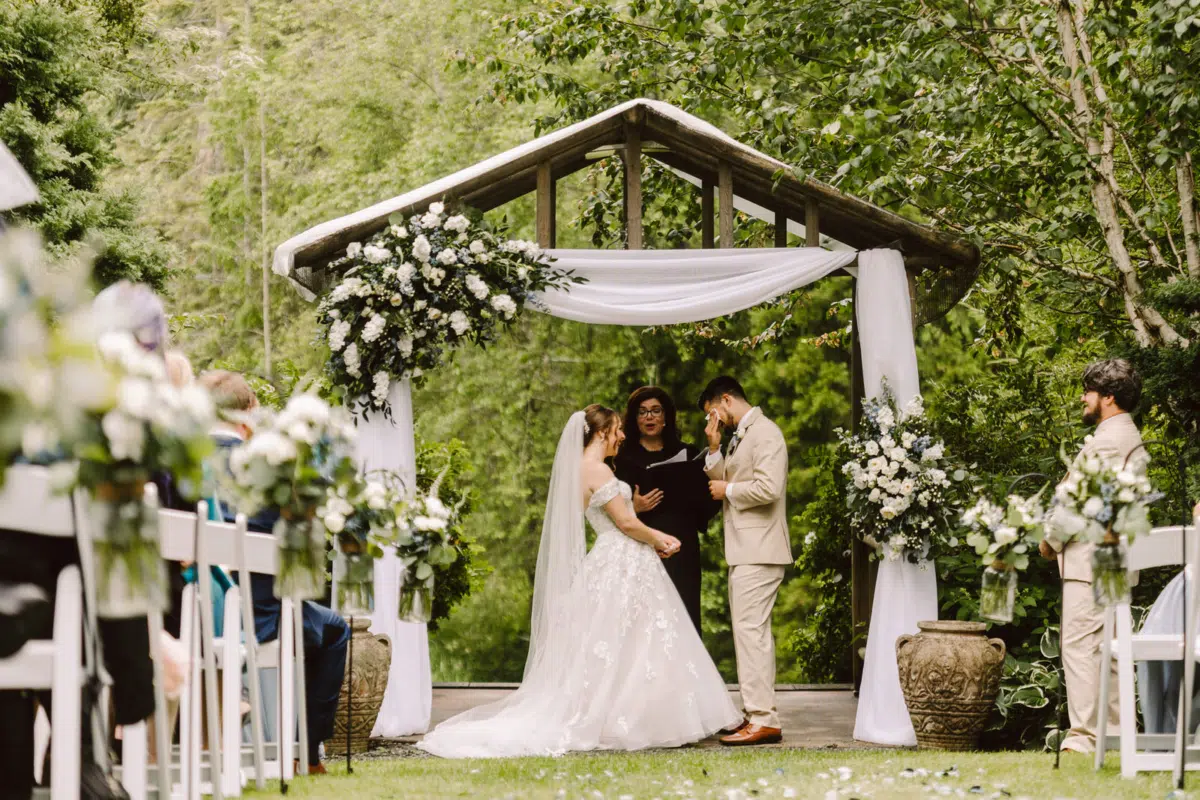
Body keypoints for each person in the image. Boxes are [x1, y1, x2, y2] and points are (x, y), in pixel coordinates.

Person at [417, 405, 740, 758]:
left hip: (615, 556)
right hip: (622, 557)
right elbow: (626, 524)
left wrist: (643, 530)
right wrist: (660, 539)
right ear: (601, 432)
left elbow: (618, 519)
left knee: (624, 639)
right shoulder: (598, 469)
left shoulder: (580, 470)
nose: (622, 436)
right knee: (636, 638)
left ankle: (625, 715)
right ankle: (634, 719)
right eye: (617, 429)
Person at [198, 370, 349, 775]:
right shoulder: (268, 470)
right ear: (249, 411)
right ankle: (307, 752)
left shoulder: (185, 466)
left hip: (192, 617)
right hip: (262, 617)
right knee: (335, 630)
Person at [1039, 358, 1145, 754]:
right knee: (1111, 651)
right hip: (1116, 562)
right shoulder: (1130, 436)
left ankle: (1084, 738)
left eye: (1089, 391)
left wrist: (1050, 540)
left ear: (1108, 397)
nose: (1083, 398)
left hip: (1090, 562)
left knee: (1082, 648)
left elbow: (1077, 500)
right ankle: (1114, 734)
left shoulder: (1106, 441)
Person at [700, 376, 792, 746]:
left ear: (725, 400)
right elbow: (723, 482)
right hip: (745, 549)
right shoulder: (741, 435)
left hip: (761, 548)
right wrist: (714, 448)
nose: (712, 420)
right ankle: (755, 713)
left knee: (752, 633)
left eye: (712, 412)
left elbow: (769, 488)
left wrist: (728, 489)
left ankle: (764, 719)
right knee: (747, 632)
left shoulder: (766, 433)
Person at [614, 386, 719, 634]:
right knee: (645, 620)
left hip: (682, 545)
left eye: (655, 411)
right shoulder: (621, 459)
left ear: (666, 416)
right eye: (642, 412)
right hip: (642, 545)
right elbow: (610, 510)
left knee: (684, 613)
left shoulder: (687, 453)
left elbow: (710, 501)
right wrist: (634, 507)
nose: (649, 417)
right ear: (634, 418)